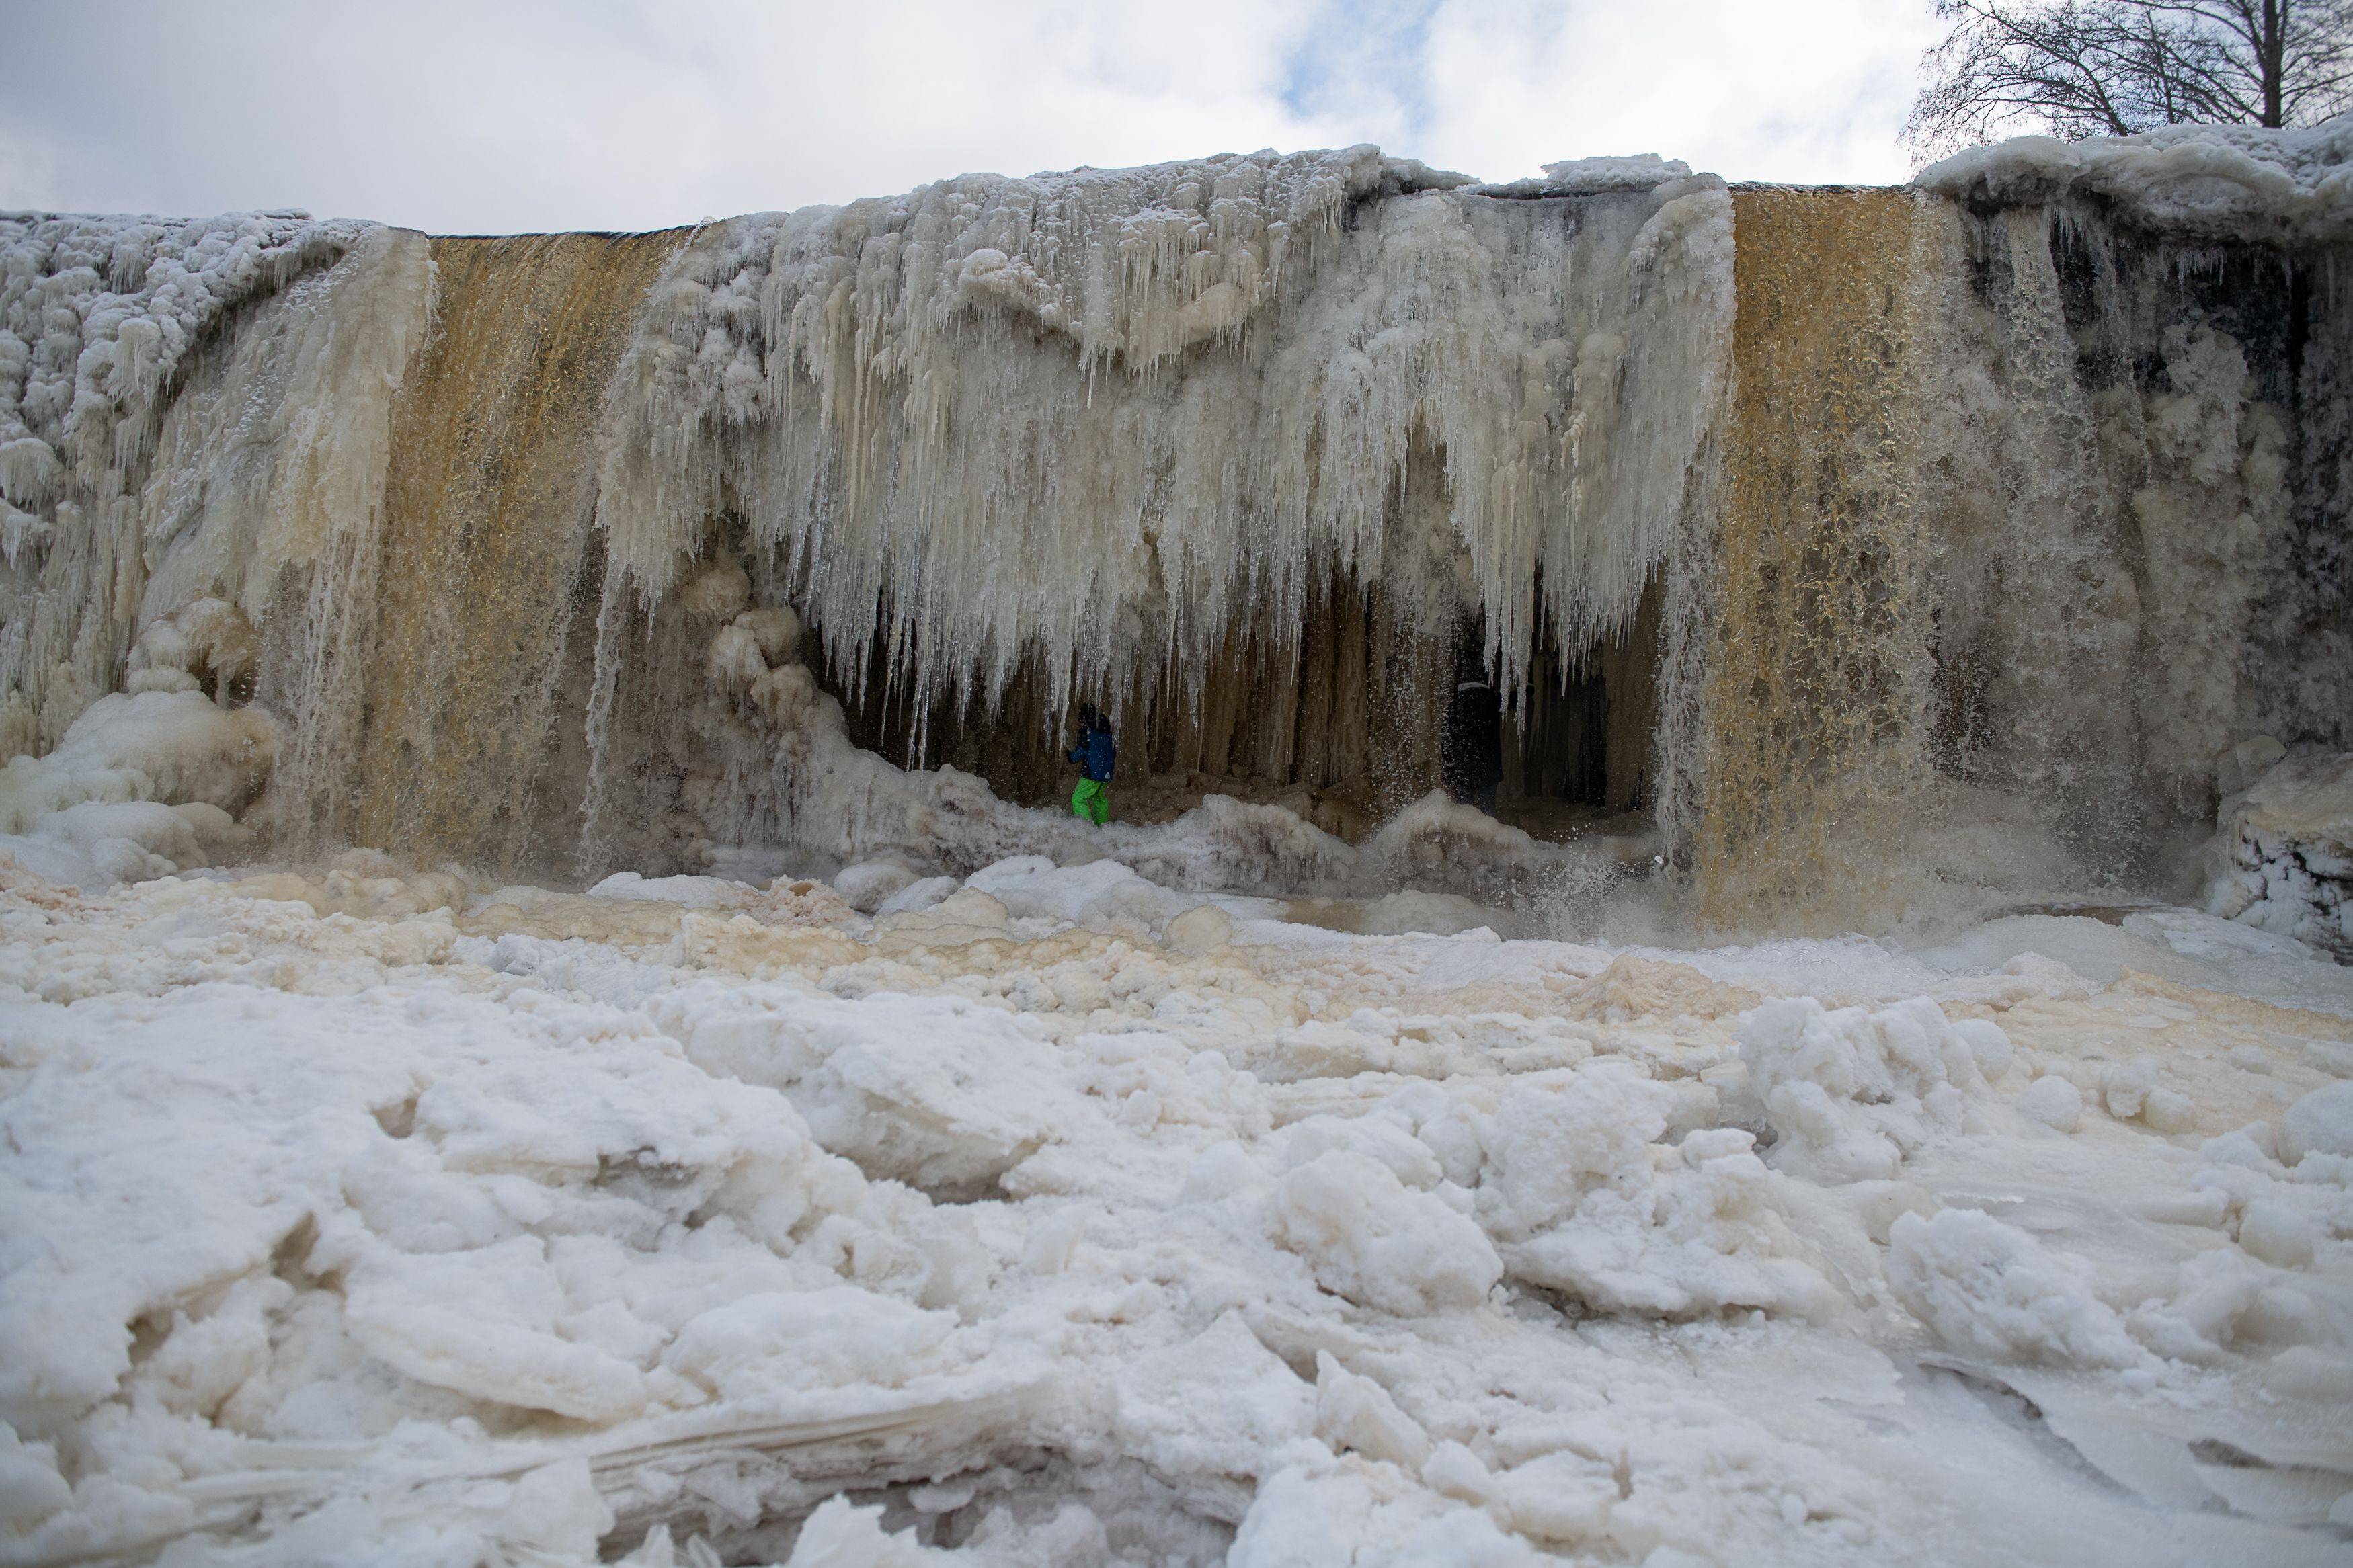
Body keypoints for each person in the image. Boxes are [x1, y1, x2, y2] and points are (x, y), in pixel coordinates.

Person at [1443, 667, 1502, 815]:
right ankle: (1490, 836)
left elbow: (1446, 741)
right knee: (1488, 809)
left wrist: (1449, 769)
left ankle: (1465, 836)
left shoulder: (1454, 706)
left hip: (1464, 767)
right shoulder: (1493, 701)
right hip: (1489, 766)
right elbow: (1523, 696)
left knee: (1465, 811)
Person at [1067, 702, 1116, 825]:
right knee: (1099, 798)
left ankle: (1086, 829)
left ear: (1084, 718)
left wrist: (1071, 757)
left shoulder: (1087, 731)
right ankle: (1103, 827)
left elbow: (1081, 751)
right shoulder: (1106, 728)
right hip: (1106, 771)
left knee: (1078, 799)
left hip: (1092, 771)